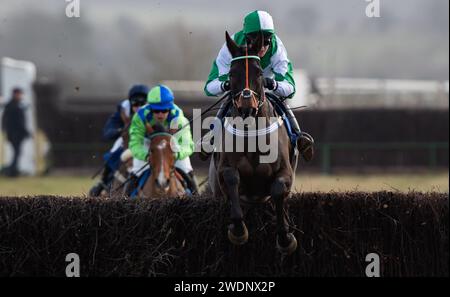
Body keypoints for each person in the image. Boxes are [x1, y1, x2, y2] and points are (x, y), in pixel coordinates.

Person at [203, 10, 314, 162]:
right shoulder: (231, 45)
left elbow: (290, 88)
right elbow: (209, 87)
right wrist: (226, 85)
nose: (262, 47)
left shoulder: (277, 47)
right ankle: (212, 137)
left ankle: (298, 136)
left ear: (272, 38)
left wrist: (272, 83)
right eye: (255, 41)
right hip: (240, 89)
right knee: (227, 102)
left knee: (282, 103)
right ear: (246, 36)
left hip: (266, 89)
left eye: (266, 41)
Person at [127, 84, 198, 196]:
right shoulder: (140, 117)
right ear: (150, 107)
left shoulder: (178, 118)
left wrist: (176, 155)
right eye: (156, 111)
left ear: (170, 108)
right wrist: (146, 155)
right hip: (147, 144)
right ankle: (126, 202)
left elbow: (187, 144)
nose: (160, 114)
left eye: (164, 110)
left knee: (187, 170)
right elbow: (135, 143)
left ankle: (197, 199)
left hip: (172, 145)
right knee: (135, 172)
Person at [89, 84, 149, 196]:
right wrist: (120, 130)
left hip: (147, 141)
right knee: (114, 154)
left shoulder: (155, 112)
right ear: (130, 103)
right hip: (128, 141)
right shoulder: (122, 111)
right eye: (135, 103)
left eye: (143, 103)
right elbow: (107, 131)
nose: (139, 107)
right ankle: (103, 183)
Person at [1, 88, 30, 177]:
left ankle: (13, 170)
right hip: (15, 134)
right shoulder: (12, 105)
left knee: (17, 153)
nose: (20, 96)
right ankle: (11, 171)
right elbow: (16, 122)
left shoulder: (17, 105)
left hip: (17, 134)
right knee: (17, 153)